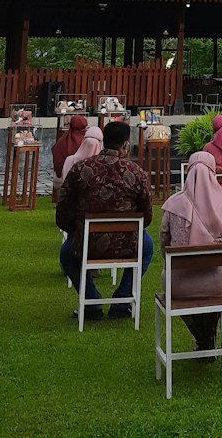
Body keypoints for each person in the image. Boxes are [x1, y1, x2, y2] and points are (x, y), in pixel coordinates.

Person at [56, 120, 153, 319]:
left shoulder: (80, 169)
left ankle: (90, 301)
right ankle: (122, 300)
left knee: (67, 254)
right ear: (126, 144)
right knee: (147, 246)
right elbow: (147, 215)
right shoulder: (137, 173)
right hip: (127, 243)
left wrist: (74, 230)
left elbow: (63, 208)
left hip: (86, 243)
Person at [159, 152, 222, 351]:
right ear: (213, 172)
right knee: (216, 281)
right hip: (218, 284)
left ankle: (202, 337)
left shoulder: (172, 204)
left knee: (172, 280)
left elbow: (164, 242)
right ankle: (208, 334)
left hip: (179, 284)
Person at [52, 115, 87, 198]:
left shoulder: (62, 139)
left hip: (60, 177)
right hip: (78, 180)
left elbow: (56, 155)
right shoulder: (85, 142)